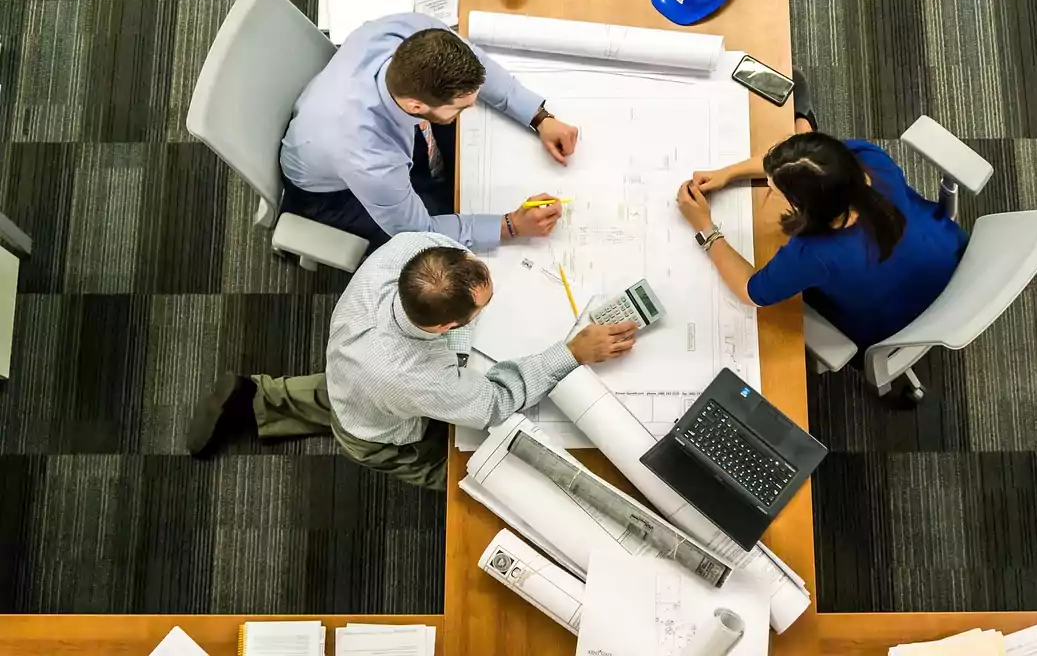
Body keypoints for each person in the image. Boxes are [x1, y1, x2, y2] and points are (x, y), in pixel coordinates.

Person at [186, 232, 637, 490]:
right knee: (463, 472)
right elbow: (494, 403)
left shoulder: (411, 250)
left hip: (352, 370)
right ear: (445, 328)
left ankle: (257, 398)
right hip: (381, 432)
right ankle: (470, 486)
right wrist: (571, 352)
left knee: (347, 392)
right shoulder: (415, 377)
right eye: (483, 306)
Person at [675, 112, 968, 366]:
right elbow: (809, 165)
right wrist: (727, 173)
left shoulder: (814, 253)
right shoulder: (868, 159)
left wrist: (705, 227)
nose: (768, 186)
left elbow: (751, 291)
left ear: (804, 207)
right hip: (949, 254)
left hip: (894, 321)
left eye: (774, 190)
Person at [280, 13, 582, 251]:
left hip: (334, 122)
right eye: (461, 107)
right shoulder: (369, 157)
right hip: (331, 193)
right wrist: (511, 226)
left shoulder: (413, 33)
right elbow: (418, 231)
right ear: (416, 105)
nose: (471, 108)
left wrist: (538, 116)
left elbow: (476, 64)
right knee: (440, 231)